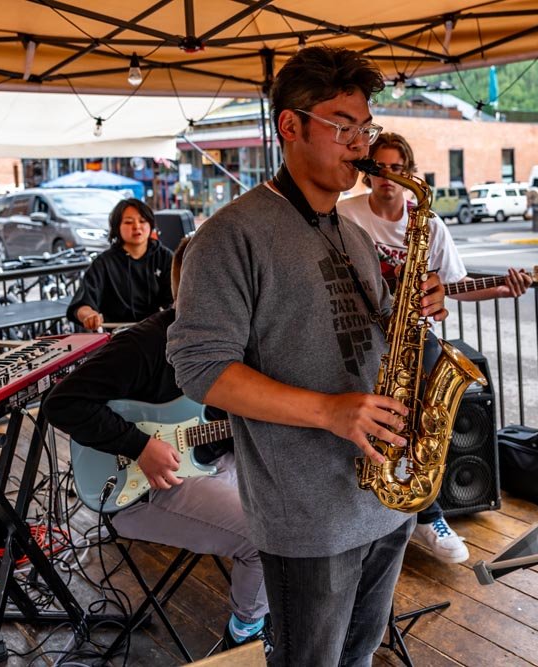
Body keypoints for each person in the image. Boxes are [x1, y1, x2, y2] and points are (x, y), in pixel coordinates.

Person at [166, 46, 448, 666]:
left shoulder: (353, 232)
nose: (360, 145)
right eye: (342, 125)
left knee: (360, 656)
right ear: (289, 125)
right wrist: (329, 412)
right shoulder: (230, 235)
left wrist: (409, 308)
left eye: (365, 128)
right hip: (308, 518)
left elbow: (365, 340)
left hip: (385, 496)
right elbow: (200, 368)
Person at [44, 238, 272, 653]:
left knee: (295, 512)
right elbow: (62, 403)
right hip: (142, 488)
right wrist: (139, 445)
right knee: (264, 537)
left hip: (210, 463)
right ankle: (246, 634)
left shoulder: (235, 341)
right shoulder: (145, 343)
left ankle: (277, 607)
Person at [338, 131, 533, 564]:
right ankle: (376, 507)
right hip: (356, 335)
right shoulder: (344, 215)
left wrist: (503, 288)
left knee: (424, 422)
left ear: (410, 174)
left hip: (411, 337)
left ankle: (426, 512)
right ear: (368, 174)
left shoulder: (427, 222)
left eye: (398, 169)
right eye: (381, 168)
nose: (389, 178)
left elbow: (456, 286)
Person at [66, 198, 173, 331]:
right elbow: (81, 305)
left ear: (151, 225)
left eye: (143, 221)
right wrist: (89, 315)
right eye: (128, 222)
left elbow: (176, 300)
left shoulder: (165, 257)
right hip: (118, 336)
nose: (137, 227)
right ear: (117, 227)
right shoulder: (104, 262)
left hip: (158, 333)